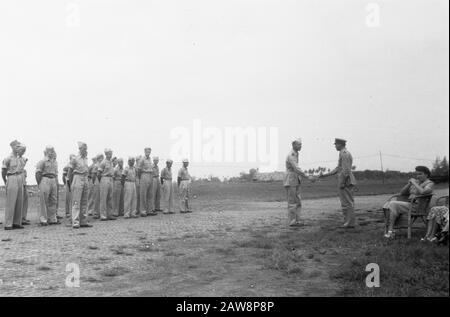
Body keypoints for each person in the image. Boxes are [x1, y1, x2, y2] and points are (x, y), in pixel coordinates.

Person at [382, 166, 434, 239]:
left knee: (393, 204)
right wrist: (409, 184)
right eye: (416, 174)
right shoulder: (417, 182)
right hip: (410, 205)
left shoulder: (429, 183)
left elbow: (423, 192)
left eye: (420, 174)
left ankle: (390, 230)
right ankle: (391, 230)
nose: (418, 176)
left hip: (418, 207)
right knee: (387, 205)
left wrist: (414, 183)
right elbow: (402, 193)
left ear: (426, 175)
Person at [319, 138, 357, 228]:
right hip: (344, 180)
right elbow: (338, 168)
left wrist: (343, 182)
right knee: (345, 202)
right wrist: (325, 175)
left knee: (348, 202)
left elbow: (346, 170)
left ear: (340, 144)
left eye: (336, 144)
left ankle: (350, 223)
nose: (335, 146)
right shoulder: (342, 153)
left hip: (345, 181)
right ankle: (348, 221)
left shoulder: (344, 154)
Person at [283, 138, 316, 227]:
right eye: (299, 144)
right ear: (293, 145)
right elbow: (296, 168)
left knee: (298, 200)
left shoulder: (296, 154)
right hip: (291, 179)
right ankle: (292, 221)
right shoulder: (291, 155)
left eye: (301, 144)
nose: (301, 146)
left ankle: (297, 220)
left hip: (295, 179)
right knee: (292, 201)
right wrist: (307, 176)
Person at [67, 142, 93, 229]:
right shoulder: (75, 159)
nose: (85, 150)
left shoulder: (86, 158)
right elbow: (70, 171)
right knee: (76, 201)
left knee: (84, 201)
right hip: (77, 178)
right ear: (80, 149)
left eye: (86, 148)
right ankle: (75, 221)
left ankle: (83, 221)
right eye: (84, 148)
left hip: (85, 178)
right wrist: (70, 183)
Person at [2, 140, 26, 230]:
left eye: (19, 146)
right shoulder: (8, 158)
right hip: (11, 177)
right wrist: (5, 181)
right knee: (11, 202)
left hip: (19, 177)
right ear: (12, 147)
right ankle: (8, 223)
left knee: (20, 201)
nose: (18, 148)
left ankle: (17, 222)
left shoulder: (20, 158)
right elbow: (3, 171)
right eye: (16, 146)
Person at [36, 146, 60, 226]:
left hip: (53, 179)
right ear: (46, 152)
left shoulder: (54, 162)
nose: (52, 152)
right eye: (50, 151)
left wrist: (56, 182)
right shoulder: (42, 161)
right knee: (44, 200)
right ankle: (43, 219)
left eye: (53, 151)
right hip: (45, 179)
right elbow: (38, 173)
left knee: (53, 200)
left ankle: (52, 218)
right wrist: (39, 184)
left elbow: (56, 173)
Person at [97, 149, 116, 221]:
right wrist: (101, 181)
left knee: (110, 198)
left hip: (111, 179)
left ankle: (110, 214)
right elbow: (98, 173)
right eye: (108, 153)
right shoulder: (103, 162)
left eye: (111, 153)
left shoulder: (111, 162)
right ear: (106, 154)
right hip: (104, 178)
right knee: (103, 198)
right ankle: (103, 215)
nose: (110, 155)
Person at [138, 148, 156, 216]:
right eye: (147, 151)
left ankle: (149, 210)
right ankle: (143, 211)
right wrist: (140, 177)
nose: (148, 152)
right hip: (144, 175)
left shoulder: (150, 159)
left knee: (150, 194)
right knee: (143, 194)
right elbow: (139, 169)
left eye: (149, 151)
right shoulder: (142, 159)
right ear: (144, 152)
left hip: (150, 175)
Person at [63, 154, 76, 219]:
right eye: (72, 158)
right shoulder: (66, 167)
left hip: (75, 182)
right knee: (68, 198)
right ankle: (67, 212)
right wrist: (65, 184)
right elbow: (63, 176)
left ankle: (74, 212)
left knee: (75, 198)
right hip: (68, 183)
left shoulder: (76, 165)